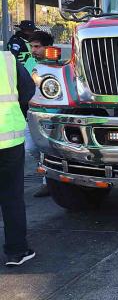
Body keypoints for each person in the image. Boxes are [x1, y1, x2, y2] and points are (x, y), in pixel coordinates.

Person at [0, 50, 36, 267]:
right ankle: (16, 251)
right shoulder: (8, 59)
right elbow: (28, 90)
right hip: (9, 139)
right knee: (12, 197)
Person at [24, 31, 54, 198]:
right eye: (32, 46)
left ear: (48, 47)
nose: (33, 50)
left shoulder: (55, 64)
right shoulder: (29, 62)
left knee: (47, 149)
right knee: (31, 148)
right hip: (31, 113)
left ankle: (48, 182)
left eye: (37, 46)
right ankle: (48, 177)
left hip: (49, 114)